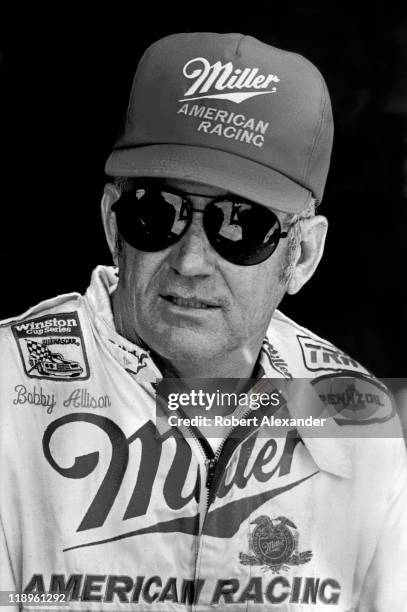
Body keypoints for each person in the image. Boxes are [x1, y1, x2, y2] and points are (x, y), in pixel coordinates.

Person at [0, 32, 406, 612]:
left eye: (240, 225)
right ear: (113, 225)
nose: (190, 262)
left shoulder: (361, 418)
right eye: (155, 213)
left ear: (303, 256)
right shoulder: (7, 393)